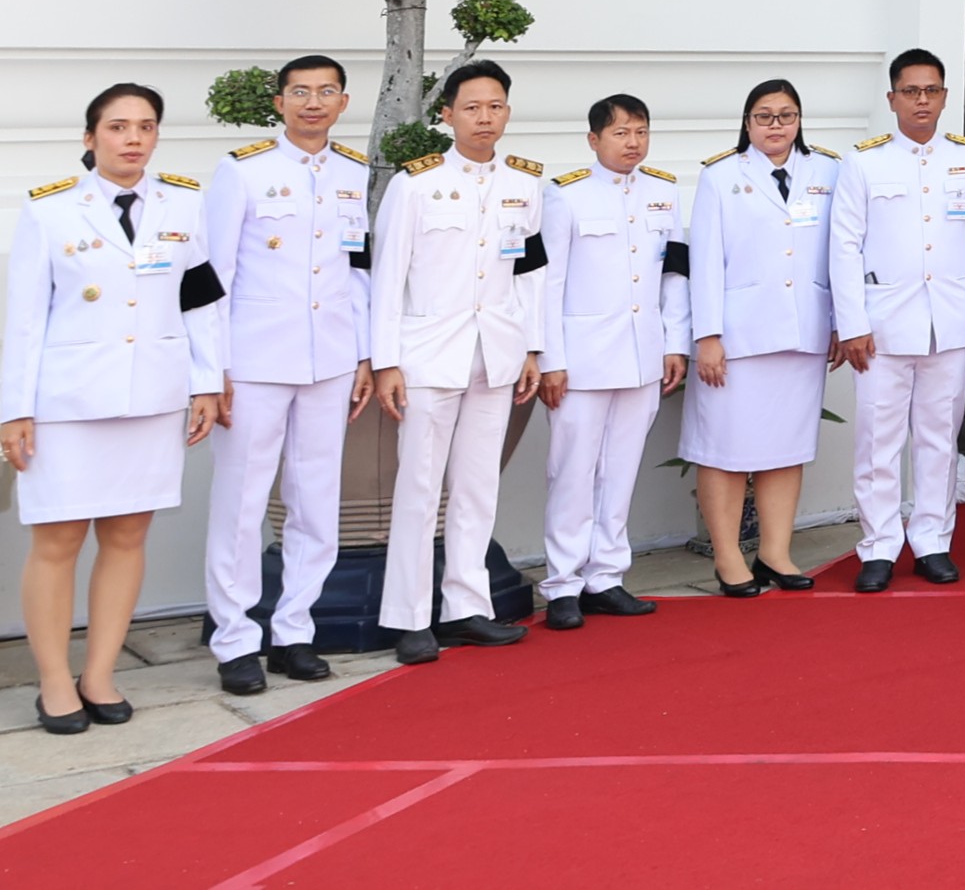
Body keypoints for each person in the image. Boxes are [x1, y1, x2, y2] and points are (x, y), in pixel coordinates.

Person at [4, 83, 223, 733]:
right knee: (58, 539)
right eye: (118, 126)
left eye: (146, 126)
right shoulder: (49, 211)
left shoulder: (184, 203)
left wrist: (206, 382)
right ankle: (52, 682)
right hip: (66, 404)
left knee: (127, 536)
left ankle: (99, 674)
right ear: (89, 137)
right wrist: (14, 409)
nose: (133, 139)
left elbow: (201, 299)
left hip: (150, 396)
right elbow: (23, 321)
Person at [198, 54, 368, 694]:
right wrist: (215, 367)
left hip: (328, 358)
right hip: (255, 362)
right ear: (279, 102)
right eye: (300, 92)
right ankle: (236, 637)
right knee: (242, 501)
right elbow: (214, 279)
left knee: (316, 499)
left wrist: (364, 355)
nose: (313, 103)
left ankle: (294, 629)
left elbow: (360, 272)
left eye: (327, 92)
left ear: (343, 103)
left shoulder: (353, 172)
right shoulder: (242, 171)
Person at [371, 61, 547, 665]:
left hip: (494, 354)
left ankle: (466, 608)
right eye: (472, 107)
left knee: (477, 486)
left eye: (496, 106)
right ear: (446, 114)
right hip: (427, 357)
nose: (485, 118)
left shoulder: (526, 184)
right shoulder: (415, 184)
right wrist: (385, 362)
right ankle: (409, 616)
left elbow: (530, 274)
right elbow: (387, 278)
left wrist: (532, 347)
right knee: (419, 488)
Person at [830, 48, 965, 593]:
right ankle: (879, 546)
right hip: (881, 326)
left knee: (938, 439)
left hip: (949, 321)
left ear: (945, 97)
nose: (921, 100)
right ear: (892, 99)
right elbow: (844, 247)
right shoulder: (864, 161)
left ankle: (932, 541)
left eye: (931, 91)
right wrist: (852, 322)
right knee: (878, 442)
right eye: (911, 91)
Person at [534, 92, 686, 630]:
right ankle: (563, 584)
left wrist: (676, 343)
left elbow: (675, 275)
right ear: (594, 139)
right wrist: (550, 358)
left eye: (641, 131)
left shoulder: (664, 192)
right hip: (581, 361)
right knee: (573, 471)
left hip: (642, 355)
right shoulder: (565, 196)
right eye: (621, 133)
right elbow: (546, 285)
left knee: (619, 472)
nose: (633, 142)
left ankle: (606, 577)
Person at [685, 77, 835, 596]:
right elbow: (703, 261)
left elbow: (840, 253)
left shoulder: (827, 171)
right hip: (738, 336)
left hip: (803, 329)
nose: (776, 126)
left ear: (799, 120)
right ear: (747, 122)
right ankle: (729, 558)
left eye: (786, 115)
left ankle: (775, 552)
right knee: (725, 448)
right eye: (764, 116)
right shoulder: (721, 175)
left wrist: (840, 322)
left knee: (786, 445)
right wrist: (707, 335)